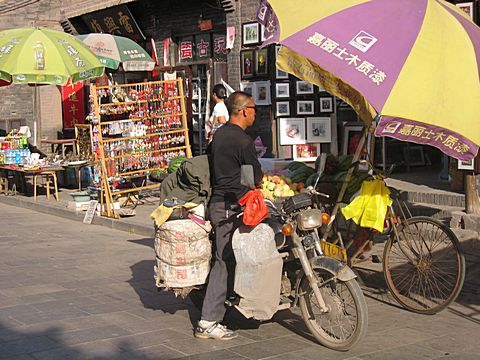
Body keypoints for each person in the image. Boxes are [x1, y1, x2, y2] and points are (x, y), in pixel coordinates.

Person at [195, 91, 263, 340]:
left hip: (219, 202)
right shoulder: (244, 141)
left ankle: (235, 298)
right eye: (254, 108)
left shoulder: (219, 135)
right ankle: (207, 321)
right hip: (229, 206)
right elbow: (252, 179)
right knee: (223, 261)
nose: (256, 113)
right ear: (244, 110)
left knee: (232, 257)